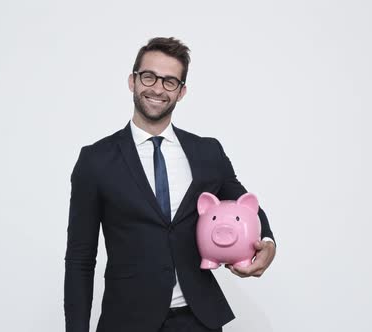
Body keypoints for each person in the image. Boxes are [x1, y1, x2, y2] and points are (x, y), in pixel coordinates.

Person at [64, 37, 276, 332]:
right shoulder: (95, 160)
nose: (157, 88)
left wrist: (267, 241)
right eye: (149, 76)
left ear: (181, 92)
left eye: (170, 81)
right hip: (126, 321)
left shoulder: (207, 151)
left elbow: (245, 205)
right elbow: (80, 258)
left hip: (197, 319)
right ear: (132, 81)